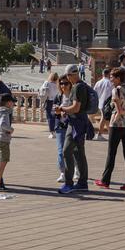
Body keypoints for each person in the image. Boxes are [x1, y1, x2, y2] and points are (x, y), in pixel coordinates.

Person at [97, 66, 125, 190]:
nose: (111, 80)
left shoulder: (116, 91)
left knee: (111, 153)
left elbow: (118, 111)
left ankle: (105, 181)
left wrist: (120, 114)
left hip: (116, 125)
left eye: (112, 78)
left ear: (118, 78)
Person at [55, 64, 91, 193]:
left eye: (69, 76)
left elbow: (75, 108)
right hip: (81, 122)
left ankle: (69, 184)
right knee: (79, 154)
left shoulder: (77, 87)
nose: (68, 79)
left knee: (66, 151)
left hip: (76, 124)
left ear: (74, 74)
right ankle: (82, 183)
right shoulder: (82, 85)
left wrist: (62, 109)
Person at [0, 93, 15, 191]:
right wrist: (10, 129)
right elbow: (3, 125)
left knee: (0, 162)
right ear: (8, 103)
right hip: (3, 140)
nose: (13, 104)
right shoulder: (5, 113)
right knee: (3, 162)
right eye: (12, 102)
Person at [54, 75, 71, 182]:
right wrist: (57, 112)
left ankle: (75, 170)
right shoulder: (59, 96)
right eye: (61, 83)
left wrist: (66, 111)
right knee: (61, 151)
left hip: (71, 125)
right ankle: (63, 172)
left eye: (65, 83)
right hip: (60, 126)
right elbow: (54, 111)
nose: (63, 85)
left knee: (72, 150)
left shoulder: (74, 96)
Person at [93, 67, 114, 140]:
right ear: (108, 74)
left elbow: (94, 93)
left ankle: (111, 134)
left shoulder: (98, 82)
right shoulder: (110, 83)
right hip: (107, 103)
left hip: (100, 102)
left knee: (107, 119)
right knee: (104, 118)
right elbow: (112, 93)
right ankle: (99, 134)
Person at [41, 71, 60, 139]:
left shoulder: (47, 83)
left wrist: (43, 101)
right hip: (56, 101)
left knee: (50, 117)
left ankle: (52, 132)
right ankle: (56, 130)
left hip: (49, 101)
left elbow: (43, 93)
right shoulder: (58, 84)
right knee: (56, 116)